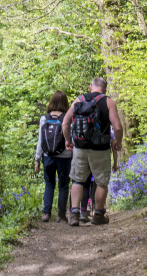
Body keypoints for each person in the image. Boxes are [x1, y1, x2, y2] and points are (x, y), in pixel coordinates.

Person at [62, 77, 123, 226]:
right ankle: (98, 214)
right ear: (105, 89)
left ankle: (75, 214)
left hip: (80, 147)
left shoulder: (79, 99)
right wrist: (118, 142)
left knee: (77, 179)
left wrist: (68, 140)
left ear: (91, 87)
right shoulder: (108, 102)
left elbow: (65, 122)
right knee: (101, 181)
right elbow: (118, 127)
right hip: (100, 149)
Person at [34, 91, 73, 223]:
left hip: (48, 156)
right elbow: (70, 137)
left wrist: (37, 159)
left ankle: (46, 213)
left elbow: (40, 141)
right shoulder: (67, 118)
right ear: (65, 103)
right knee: (63, 185)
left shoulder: (44, 118)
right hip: (65, 156)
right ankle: (61, 215)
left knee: (49, 184)